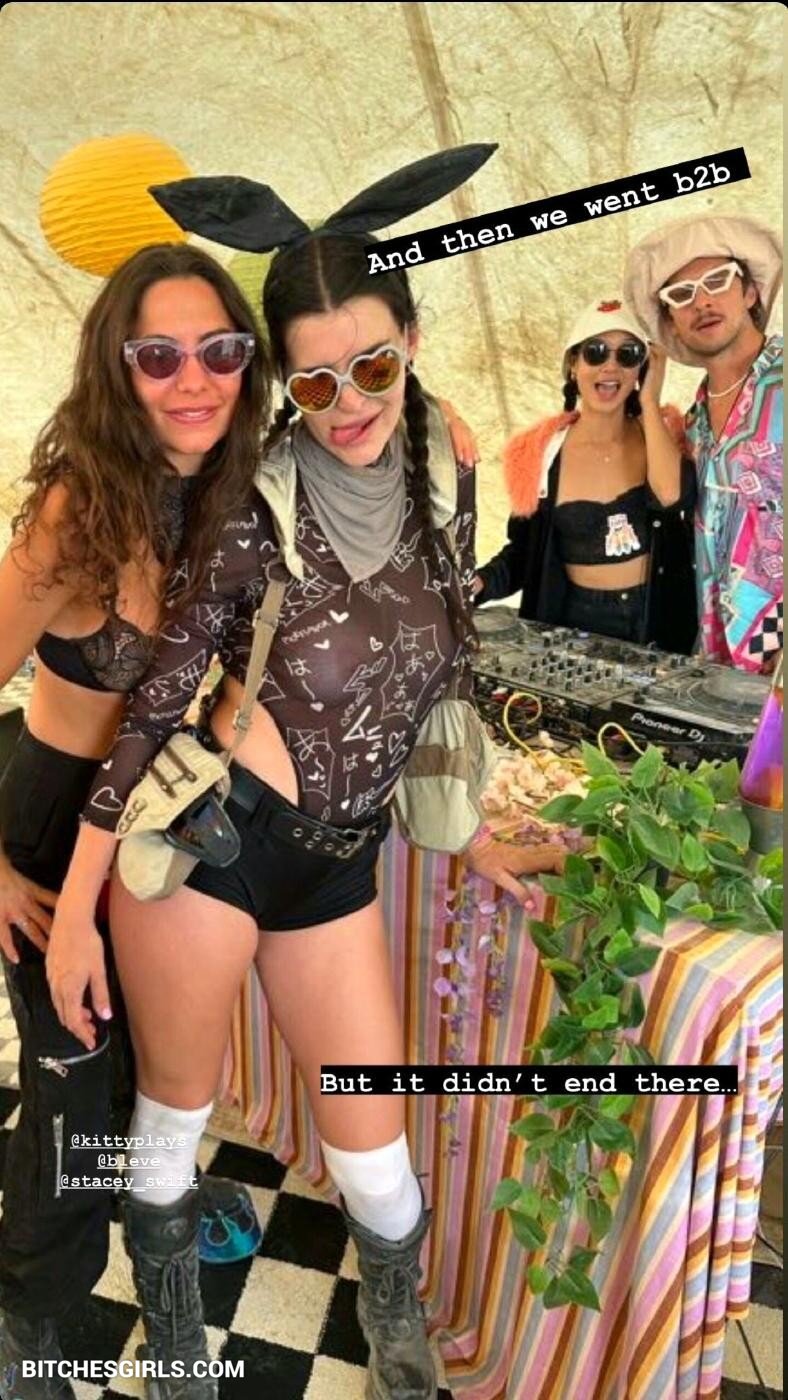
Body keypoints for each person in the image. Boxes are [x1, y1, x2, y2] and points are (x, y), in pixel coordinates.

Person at [45, 151, 566, 1400]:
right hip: (215, 849)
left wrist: (463, 828)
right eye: (316, 379)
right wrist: (71, 912)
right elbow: (155, 705)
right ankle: (175, 1341)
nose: (347, 403)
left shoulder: (442, 469)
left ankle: (396, 1328)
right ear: (284, 375)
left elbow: (442, 663)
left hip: (339, 863)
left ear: (410, 342)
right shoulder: (252, 506)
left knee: (373, 1141)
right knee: (175, 1112)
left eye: (372, 366)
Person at [0, 241, 270, 1399]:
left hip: (158, 826)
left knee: (145, 1061)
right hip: (52, 819)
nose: (192, 377)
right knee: (70, 1078)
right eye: (158, 355)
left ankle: (139, 1204)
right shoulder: (78, 511)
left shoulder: (233, 492)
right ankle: (33, 1322)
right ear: (118, 368)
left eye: (219, 349)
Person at [474, 295, 698, 652]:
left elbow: (672, 497)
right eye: (596, 352)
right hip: (576, 631)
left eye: (627, 355)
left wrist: (649, 402)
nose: (610, 366)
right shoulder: (540, 452)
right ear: (573, 365)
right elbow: (526, 552)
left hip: (659, 627)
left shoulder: (664, 434)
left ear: (641, 369)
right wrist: (480, 583)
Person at [624, 214, 783, 673]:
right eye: (681, 294)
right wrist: (648, 399)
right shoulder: (695, 421)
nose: (702, 302)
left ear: (750, 292)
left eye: (717, 280)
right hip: (723, 663)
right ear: (671, 322)